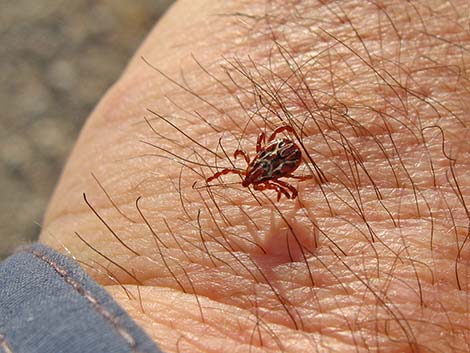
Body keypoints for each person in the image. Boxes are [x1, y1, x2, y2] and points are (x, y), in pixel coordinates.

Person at [2, 1, 470, 352]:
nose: (245, 180)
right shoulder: (264, 174)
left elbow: (282, 181)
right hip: (284, 156)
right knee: (273, 153)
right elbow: (286, 181)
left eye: (247, 178)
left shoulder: (255, 173)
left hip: (282, 157)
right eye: (248, 177)